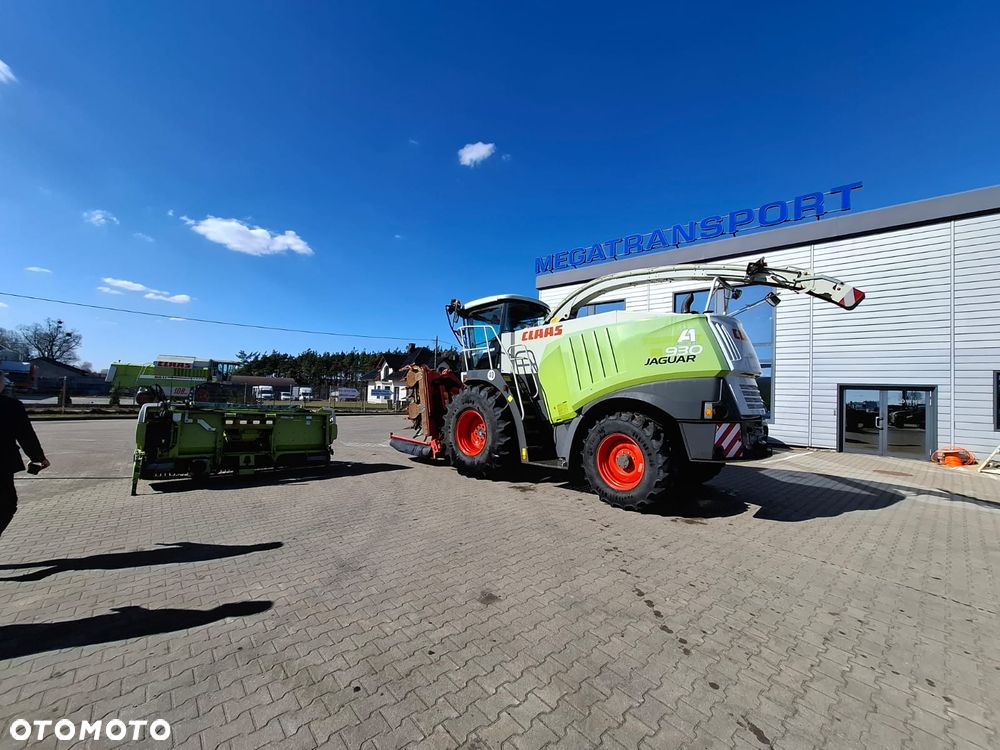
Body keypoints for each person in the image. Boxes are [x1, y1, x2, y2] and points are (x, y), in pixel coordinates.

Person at [0, 371, 49, 538]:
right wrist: (38, 458)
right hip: (2, 464)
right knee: (6, 505)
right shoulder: (10, 406)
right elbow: (26, 435)